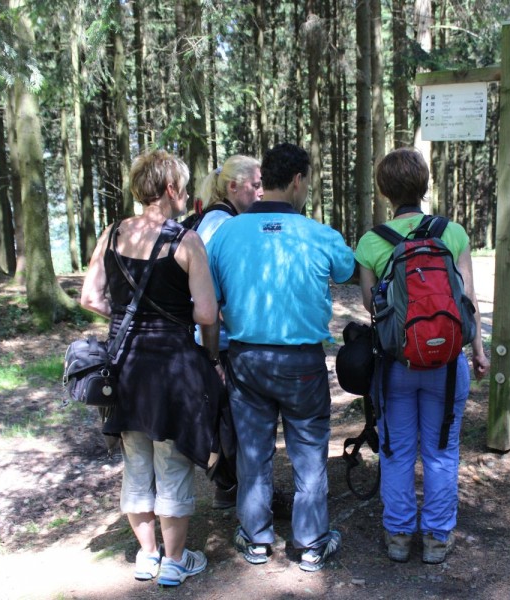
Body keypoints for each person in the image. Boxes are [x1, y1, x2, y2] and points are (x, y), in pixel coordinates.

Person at [204, 142, 355, 572]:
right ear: (297, 181)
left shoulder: (226, 233)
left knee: (253, 451)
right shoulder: (319, 233)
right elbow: (346, 269)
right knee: (309, 450)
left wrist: (213, 357)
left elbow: (210, 302)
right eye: (308, 182)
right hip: (302, 362)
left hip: (246, 358)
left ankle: (255, 538)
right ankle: (311, 543)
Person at [80, 149, 219, 587]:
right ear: (171, 189)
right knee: (172, 460)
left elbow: (90, 298)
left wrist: (126, 318)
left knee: (136, 459)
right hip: (173, 366)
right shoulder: (186, 241)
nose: (187, 195)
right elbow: (207, 313)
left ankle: (147, 555)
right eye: (184, 187)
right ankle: (175, 562)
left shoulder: (113, 233)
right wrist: (211, 356)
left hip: (124, 365)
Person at [353, 147, 490, 564]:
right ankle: (436, 539)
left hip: (395, 365)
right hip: (447, 364)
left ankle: (398, 536)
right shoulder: (453, 232)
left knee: (396, 452)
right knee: (441, 452)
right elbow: (468, 299)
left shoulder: (371, 241)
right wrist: (478, 351)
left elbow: (370, 305)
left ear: (384, 192)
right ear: (425, 186)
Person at [193, 155, 263, 510]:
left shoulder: (214, 220)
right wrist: (214, 356)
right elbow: (213, 291)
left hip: (215, 338)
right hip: (220, 341)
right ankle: (237, 489)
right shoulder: (223, 225)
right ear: (233, 187)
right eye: (256, 185)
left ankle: (229, 487)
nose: (261, 193)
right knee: (233, 420)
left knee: (227, 418)